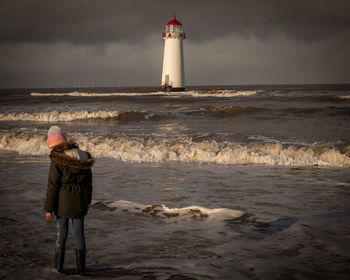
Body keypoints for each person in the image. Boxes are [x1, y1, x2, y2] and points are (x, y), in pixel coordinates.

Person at [44, 126, 94, 275]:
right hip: (80, 201)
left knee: (62, 235)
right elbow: (89, 183)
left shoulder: (57, 159)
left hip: (62, 202)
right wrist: (88, 201)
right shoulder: (83, 156)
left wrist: (48, 208)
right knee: (79, 235)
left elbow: (53, 185)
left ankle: (58, 270)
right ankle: (81, 271)